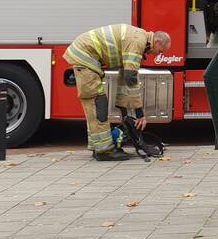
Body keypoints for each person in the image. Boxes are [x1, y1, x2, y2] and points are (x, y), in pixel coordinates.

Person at [64, 25, 171, 161]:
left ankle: (99, 147)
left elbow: (123, 77)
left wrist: (123, 110)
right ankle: (105, 152)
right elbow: (131, 78)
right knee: (98, 104)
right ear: (156, 43)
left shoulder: (139, 39)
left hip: (86, 57)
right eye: (160, 51)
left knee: (95, 107)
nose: (158, 55)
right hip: (85, 57)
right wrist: (139, 113)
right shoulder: (137, 41)